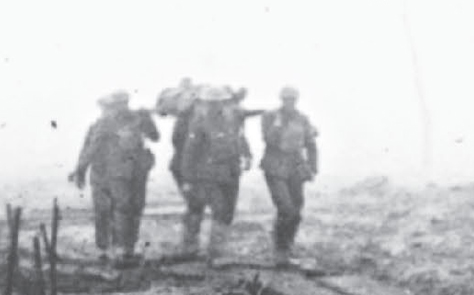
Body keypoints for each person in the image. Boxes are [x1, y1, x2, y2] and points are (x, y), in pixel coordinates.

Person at [69, 91, 158, 267]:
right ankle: (112, 250)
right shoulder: (103, 124)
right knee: (116, 210)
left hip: (136, 173)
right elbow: (90, 149)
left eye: (122, 104)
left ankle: (125, 249)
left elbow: (155, 137)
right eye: (114, 106)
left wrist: (147, 119)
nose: (118, 108)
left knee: (133, 209)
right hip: (111, 175)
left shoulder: (137, 120)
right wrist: (80, 170)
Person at [175, 84, 251, 260]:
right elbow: (189, 152)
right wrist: (187, 179)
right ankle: (200, 250)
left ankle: (217, 250)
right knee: (217, 208)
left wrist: (247, 155)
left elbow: (239, 138)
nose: (215, 106)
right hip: (208, 175)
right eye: (211, 103)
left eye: (219, 103)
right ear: (204, 103)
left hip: (231, 172)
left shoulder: (231, 119)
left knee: (227, 212)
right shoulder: (199, 122)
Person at [259, 85, 320, 267]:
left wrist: (312, 167)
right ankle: (279, 251)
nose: (289, 103)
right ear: (281, 100)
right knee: (286, 209)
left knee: (296, 210)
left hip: (295, 168)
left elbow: (310, 143)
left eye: (292, 99)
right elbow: (269, 140)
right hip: (275, 167)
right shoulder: (270, 117)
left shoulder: (302, 119)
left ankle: (287, 247)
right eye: (286, 99)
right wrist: (277, 124)